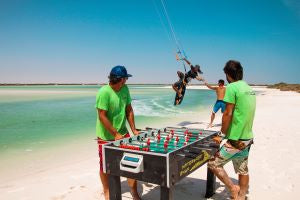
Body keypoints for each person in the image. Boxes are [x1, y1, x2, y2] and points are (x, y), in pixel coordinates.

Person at [208, 60, 256, 200]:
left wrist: (221, 134)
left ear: (228, 75)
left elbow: (227, 113)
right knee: (243, 169)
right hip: (247, 137)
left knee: (213, 163)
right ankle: (241, 197)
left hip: (236, 139)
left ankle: (233, 189)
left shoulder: (232, 87)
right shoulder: (249, 88)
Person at [95, 65, 141, 200]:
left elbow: (129, 109)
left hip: (123, 132)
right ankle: (107, 191)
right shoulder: (104, 92)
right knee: (105, 166)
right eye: (125, 78)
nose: (126, 81)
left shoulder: (125, 89)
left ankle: (134, 192)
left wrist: (133, 129)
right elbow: (101, 116)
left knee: (132, 161)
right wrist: (115, 134)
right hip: (106, 135)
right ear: (120, 79)